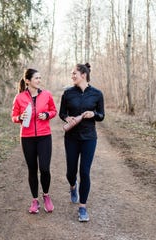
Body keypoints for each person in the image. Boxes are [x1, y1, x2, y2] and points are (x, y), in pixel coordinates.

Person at [59, 63, 105, 222]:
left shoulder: (97, 94)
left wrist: (93, 114)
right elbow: (62, 113)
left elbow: (101, 115)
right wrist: (67, 118)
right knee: (71, 172)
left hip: (89, 138)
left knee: (84, 172)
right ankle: (73, 187)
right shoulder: (67, 93)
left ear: (83, 75)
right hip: (71, 138)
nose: (72, 76)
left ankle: (82, 207)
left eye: (74, 74)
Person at [11, 68, 57, 214]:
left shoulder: (47, 95)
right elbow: (13, 116)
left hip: (44, 136)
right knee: (32, 169)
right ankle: (35, 200)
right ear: (28, 81)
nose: (39, 80)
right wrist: (20, 118)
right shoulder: (19, 98)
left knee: (44, 168)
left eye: (40, 77)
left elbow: (54, 111)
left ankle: (46, 196)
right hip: (27, 138)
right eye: (36, 78)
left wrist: (46, 114)